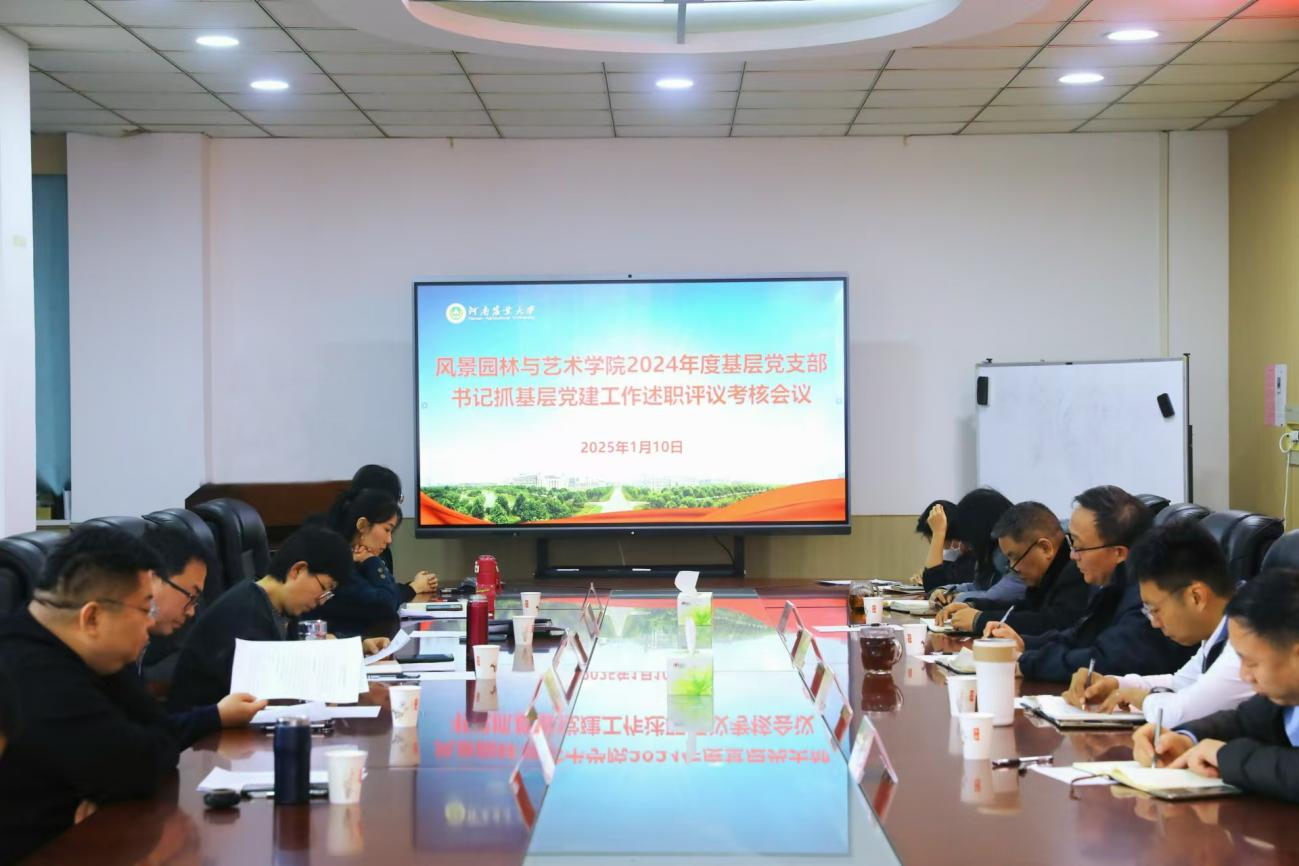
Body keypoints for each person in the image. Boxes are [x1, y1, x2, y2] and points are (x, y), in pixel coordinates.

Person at [0, 529, 209, 863]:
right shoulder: (32, 675)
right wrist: (121, 778)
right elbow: (138, 767)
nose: (149, 624)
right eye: (145, 608)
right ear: (93, 617)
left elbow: (162, 738)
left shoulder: (86, 652)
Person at [987, 485, 1192, 682]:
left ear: (1118, 553)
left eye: (1079, 546)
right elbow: (1081, 636)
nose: (1072, 555)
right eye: (1071, 543)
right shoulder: (1115, 583)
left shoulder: (1148, 594)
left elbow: (1106, 661)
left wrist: (1026, 663)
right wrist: (1024, 644)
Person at [168, 526, 384, 711]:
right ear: (298, 570)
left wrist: (357, 647)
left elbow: (296, 657)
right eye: (324, 588)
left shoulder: (277, 607)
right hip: (207, 739)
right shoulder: (244, 616)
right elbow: (273, 691)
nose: (321, 600)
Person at [1063, 520, 1252, 727]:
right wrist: (1116, 684)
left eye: (1154, 609)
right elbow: (1180, 683)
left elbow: (1181, 713)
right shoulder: (1222, 626)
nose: (1154, 623)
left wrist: (1142, 699)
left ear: (1196, 597)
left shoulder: (1250, 634)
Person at [1132, 569, 1299, 802]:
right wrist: (1186, 739)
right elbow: (1242, 721)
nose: (1244, 675)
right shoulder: (1283, 698)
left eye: (1252, 663)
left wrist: (1225, 756)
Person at [141, 526, 266, 726]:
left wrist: (217, 715)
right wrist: (217, 716)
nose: (191, 612)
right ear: (152, 578)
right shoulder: (109, 650)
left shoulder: (139, 646)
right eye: (190, 596)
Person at [935, 501, 1090, 636]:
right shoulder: (1047, 571)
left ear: (1045, 548)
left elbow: (1053, 623)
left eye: (1015, 557)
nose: (1012, 567)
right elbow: (1026, 608)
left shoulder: (1077, 570)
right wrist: (974, 606)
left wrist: (980, 620)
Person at [315, 489, 437, 638]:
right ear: (362, 525)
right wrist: (372, 561)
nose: (389, 540)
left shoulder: (355, 559)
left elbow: (389, 591)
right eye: (387, 529)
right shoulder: (337, 562)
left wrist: (413, 586)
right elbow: (386, 603)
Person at [924, 488, 1022, 607]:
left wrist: (957, 597)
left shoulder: (1010, 551)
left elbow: (1002, 595)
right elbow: (977, 586)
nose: (965, 540)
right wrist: (945, 591)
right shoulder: (987, 552)